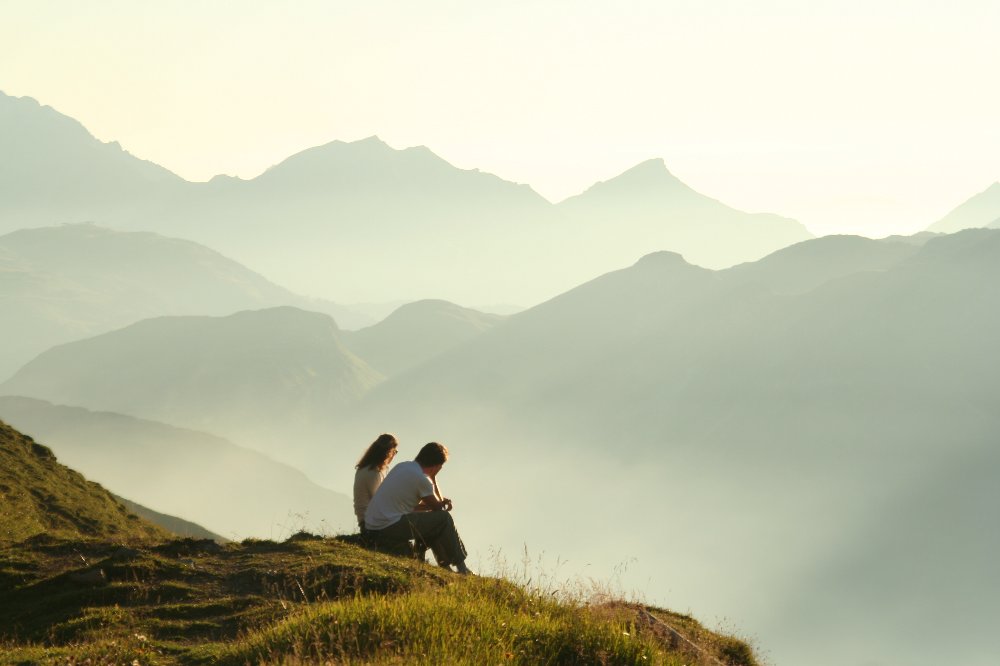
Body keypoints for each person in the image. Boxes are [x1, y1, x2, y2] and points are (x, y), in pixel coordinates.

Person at [364, 442, 472, 574]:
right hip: (388, 527)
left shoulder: (402, 466)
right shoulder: (422, 479)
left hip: (373, 525)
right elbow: (438, 509)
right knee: (444, 519)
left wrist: (433, 503)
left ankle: (444, 566)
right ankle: (461, 567)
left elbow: (409, 506)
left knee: (432, 521)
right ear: (436, 466)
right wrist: (433, 477)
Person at [353, 433, 398, 532]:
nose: (394, 455)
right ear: (389, 452)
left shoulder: (367, 469)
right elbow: (380, 502)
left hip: (368, 520)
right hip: (371, 523)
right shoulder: (373, 473)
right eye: (395, 451)